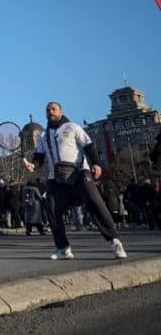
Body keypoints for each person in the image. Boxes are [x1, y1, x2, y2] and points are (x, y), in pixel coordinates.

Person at [25, 101, 127, 260]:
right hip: (55, 177)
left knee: (95, 203)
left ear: (61, 111)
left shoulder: (72, 127)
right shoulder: (43, 136)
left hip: (78, 172)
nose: (50, 112)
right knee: (52, 209)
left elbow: (89, 145)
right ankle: (62, 248)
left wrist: (96, 163)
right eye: (48, 110)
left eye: (53, 109)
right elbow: (39, 156)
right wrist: (33, 165)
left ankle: (115, 241)